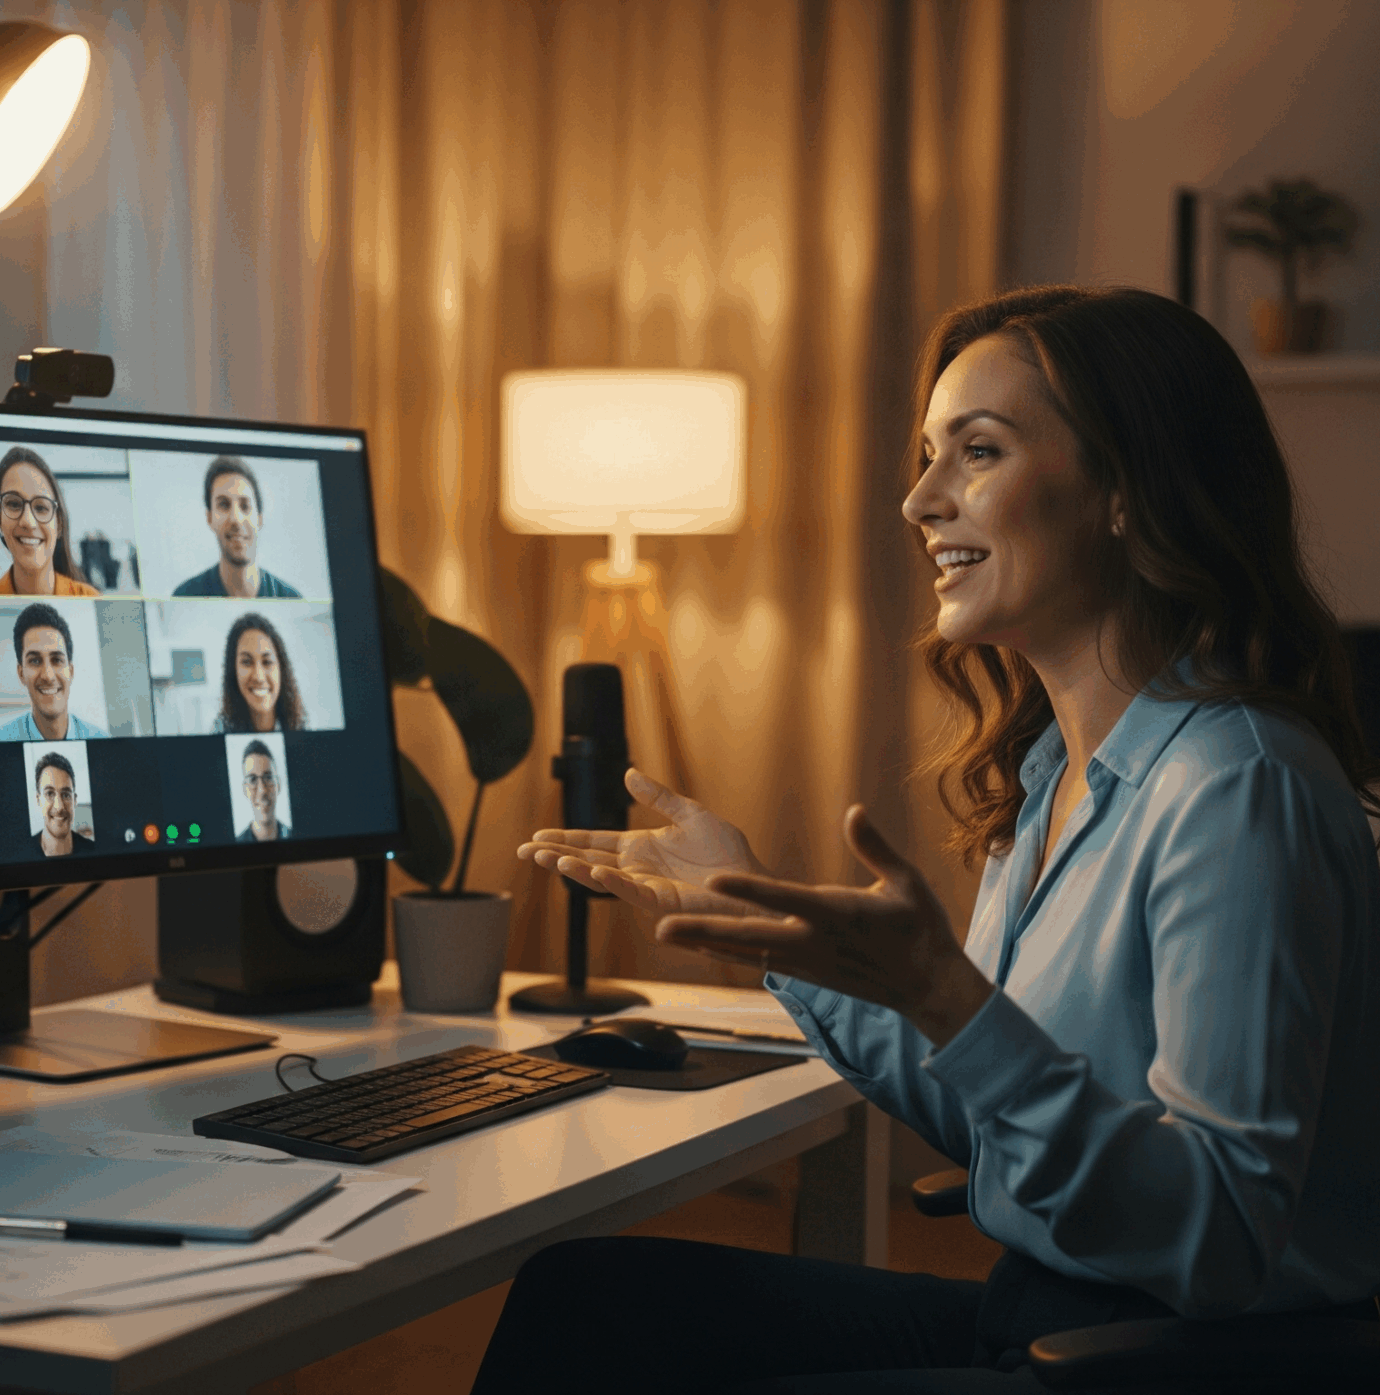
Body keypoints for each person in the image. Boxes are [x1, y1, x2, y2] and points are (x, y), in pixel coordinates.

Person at [487, 286, 1380, 1394]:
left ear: (1123, 491)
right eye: (927, 456)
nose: (919, 500)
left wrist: (950, 1000)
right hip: (1050, 1313)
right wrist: (762, 917)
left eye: (979, 452)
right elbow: (988, 1103)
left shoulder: (1237, 785)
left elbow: (1220, 1238)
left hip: (1175, 1365)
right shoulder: (1054, 775)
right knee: (588, 1301)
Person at [172, 456, 302, 598]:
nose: (236, 519)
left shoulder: (291, 598)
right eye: (224, 505)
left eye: (245, 506)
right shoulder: (185, 597)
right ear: (209, 518)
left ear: (259, 518)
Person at [0, 603, 109, 742]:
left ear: (71, 671)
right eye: (35, 661)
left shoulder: (104, 743)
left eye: (57, 660)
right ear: (21, 674)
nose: (48, 676)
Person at [0, 446, 100, 597]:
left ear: (59, 523)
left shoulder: (89, 598)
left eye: (41, 507)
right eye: (14, 504)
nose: (28, 521)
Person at [212, 612, 307, 733]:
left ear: (281, 669)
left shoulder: (300, 725)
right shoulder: (219, 729)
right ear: (233, 670)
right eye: (246, 662)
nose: (258, 676)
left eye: (267, 662)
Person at [33, 751, 93, 857]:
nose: (59, 806)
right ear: (38, 799)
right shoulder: (22, 852)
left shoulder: (93, 851)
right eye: (50, 793)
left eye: (66, 795)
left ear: (74, 800)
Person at [235, 739, 291, 841]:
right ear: (245, 790)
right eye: (252, 779)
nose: (262, 791)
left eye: (268, 778)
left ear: (278, 785)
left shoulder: (295, 836)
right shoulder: (236, 843)